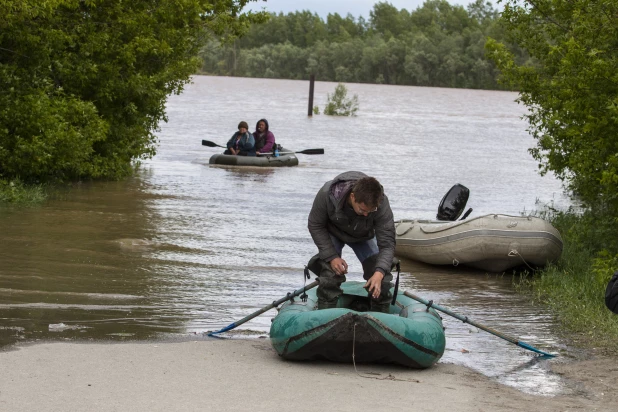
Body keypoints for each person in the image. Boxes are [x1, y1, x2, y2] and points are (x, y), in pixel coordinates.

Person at [307, 171, 396, 313]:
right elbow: (315, 225)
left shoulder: (381, 203)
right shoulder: (327, 194)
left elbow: (387, 244)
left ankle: (379, 316)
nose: (367, 214)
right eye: (363, 209)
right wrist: (332, 256)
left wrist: (379, 273)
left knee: (382, 278)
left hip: (364, 236)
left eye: (371, 211)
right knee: (330, 274)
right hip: (334, 231)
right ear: (352, 197)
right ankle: (325, 315)